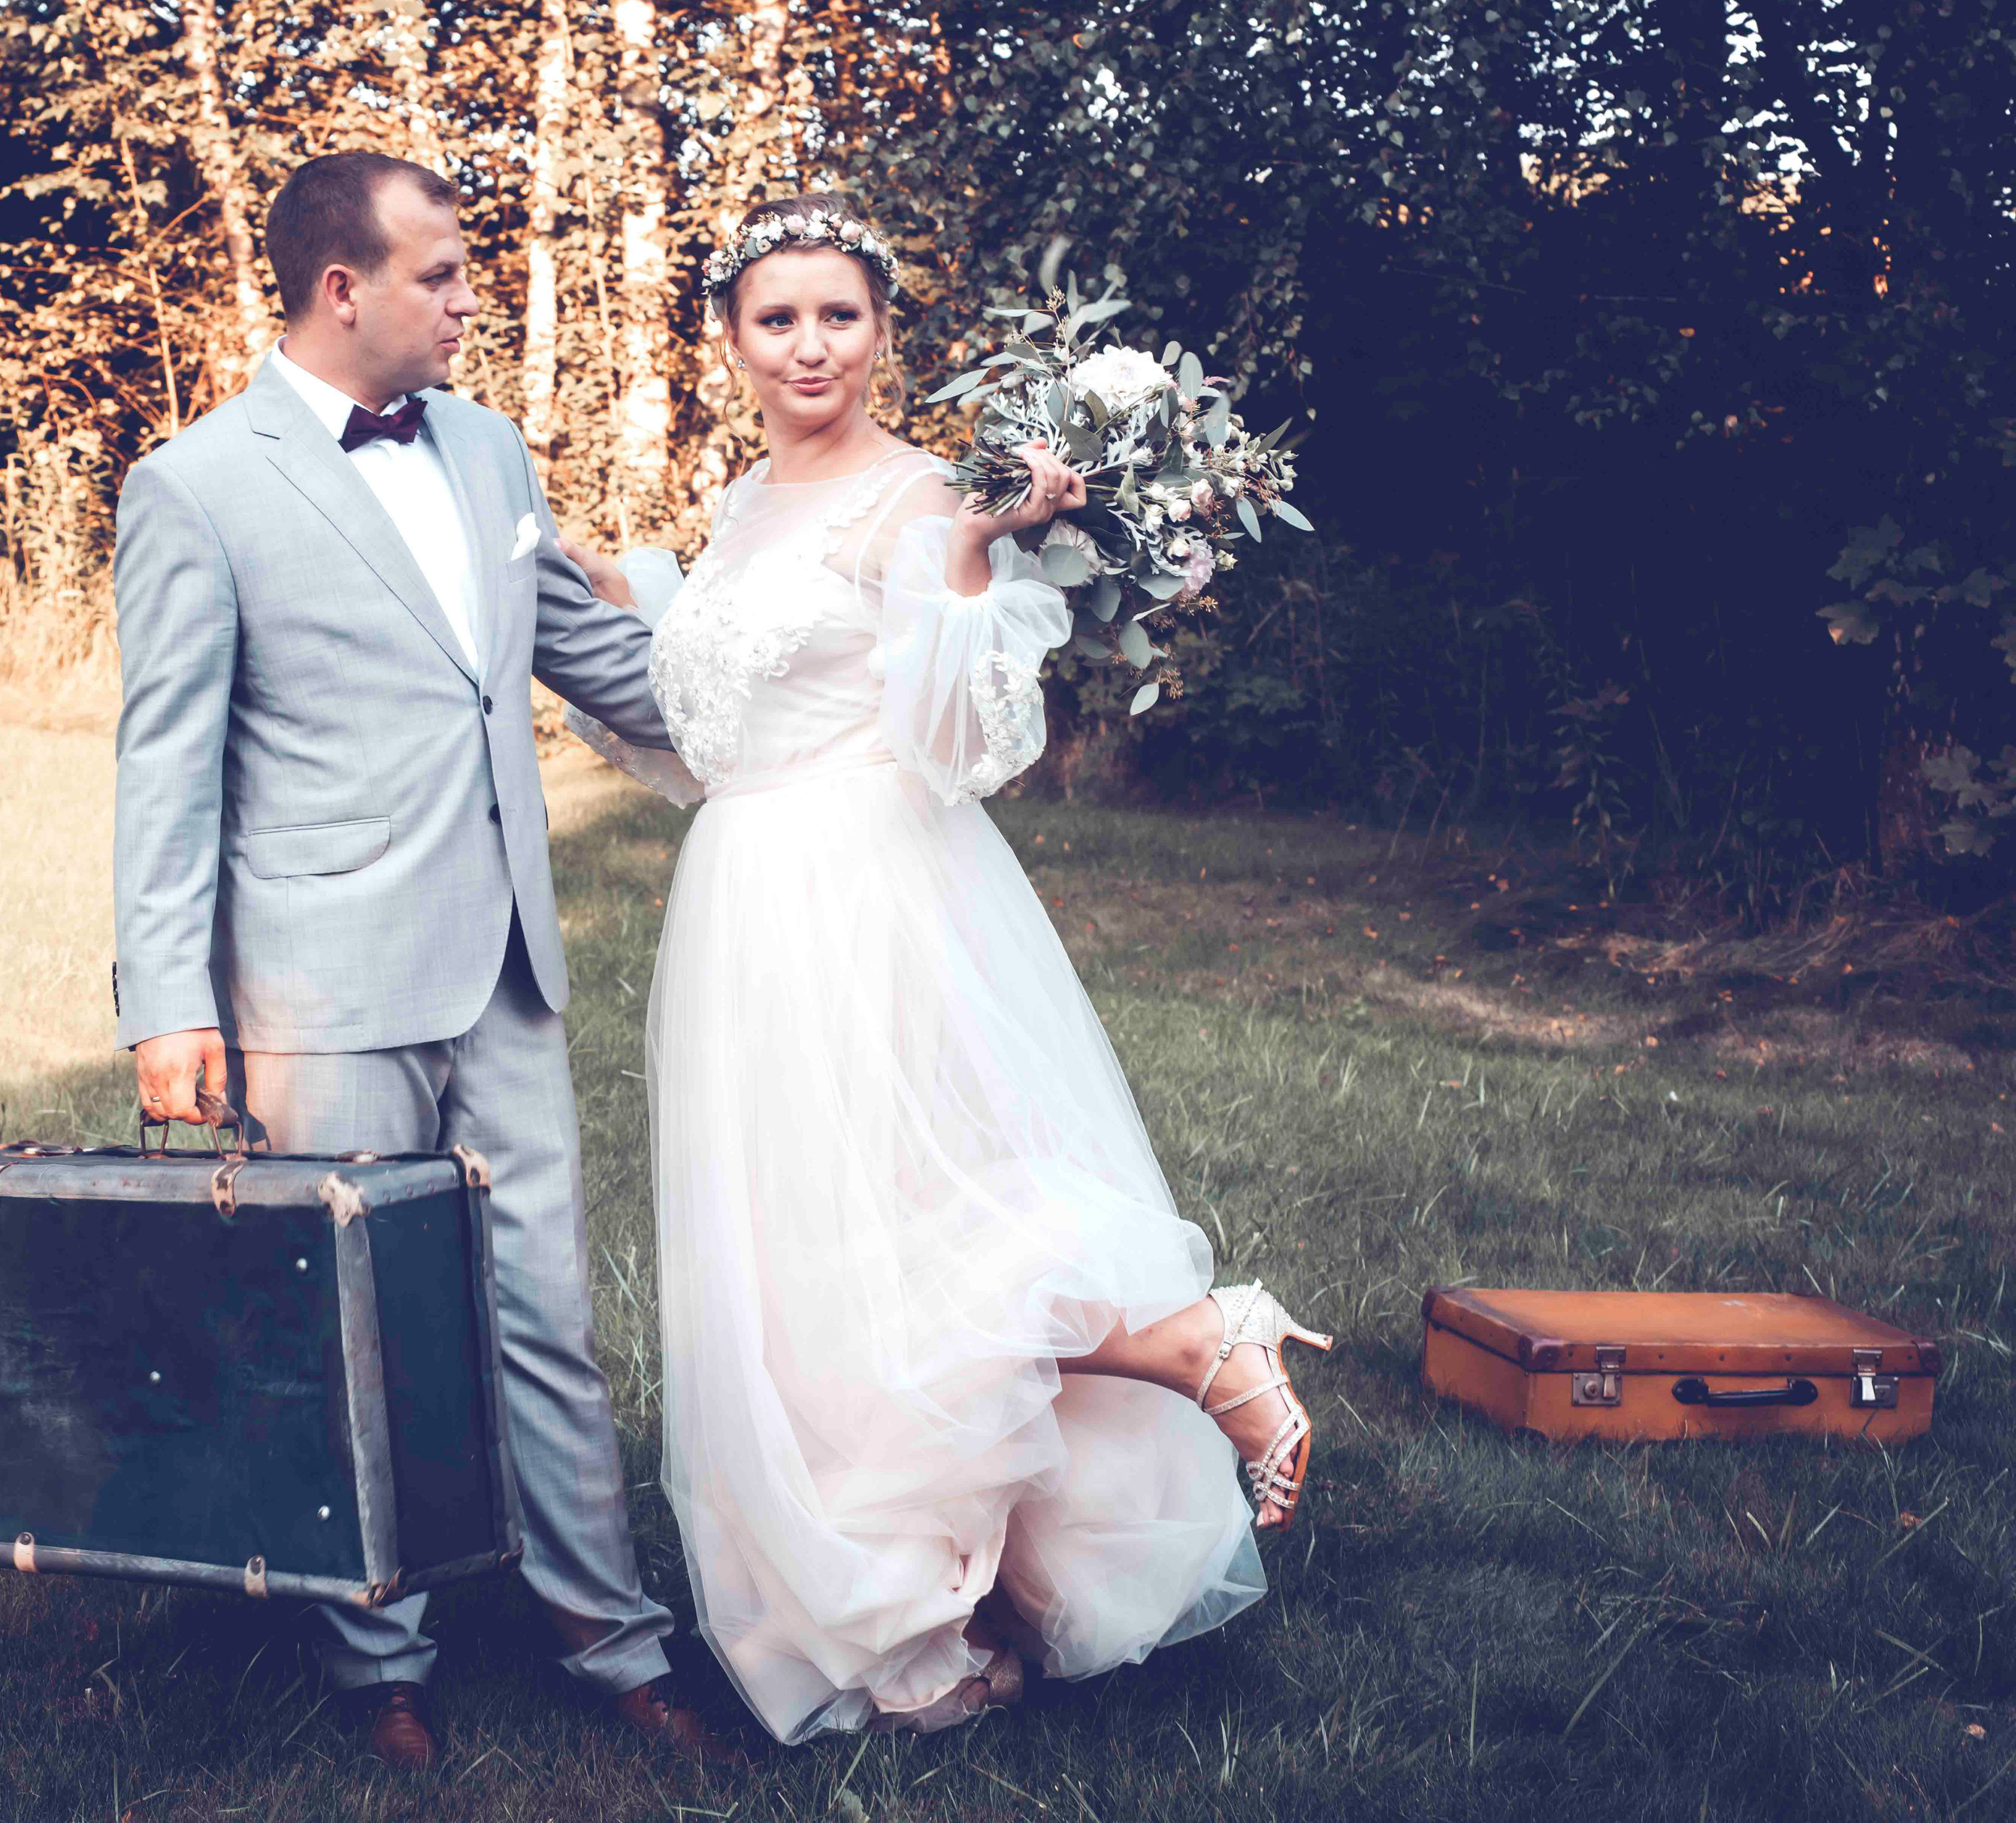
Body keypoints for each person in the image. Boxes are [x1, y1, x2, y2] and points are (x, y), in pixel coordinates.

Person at [561, 193, 1335, 1745]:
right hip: (743, 903)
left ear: (880, 331)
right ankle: (933, 1602)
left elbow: (965, 743)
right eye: (777, 318)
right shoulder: (737, 505)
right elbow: (717, 726)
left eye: (838, 315)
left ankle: (1191, 1342)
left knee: (920, 1223)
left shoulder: (922, 494)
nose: (810, 346)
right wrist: (626, 608)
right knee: (810, 1260)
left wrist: (974, 566)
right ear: (731, 340)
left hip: (871, 889)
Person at [109, 151, 744, 1774]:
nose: (470, 302)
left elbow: (594, 658)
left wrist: (824, 694)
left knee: (548, 1320)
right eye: (443, 275)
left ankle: (613, 1641)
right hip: (317, 983)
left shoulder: (486, 447)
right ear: (344, 288)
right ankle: (379, 1661)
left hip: (506, 964)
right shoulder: (197, 484)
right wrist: (169, 1001)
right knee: (355, 1333)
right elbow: (166, 765)